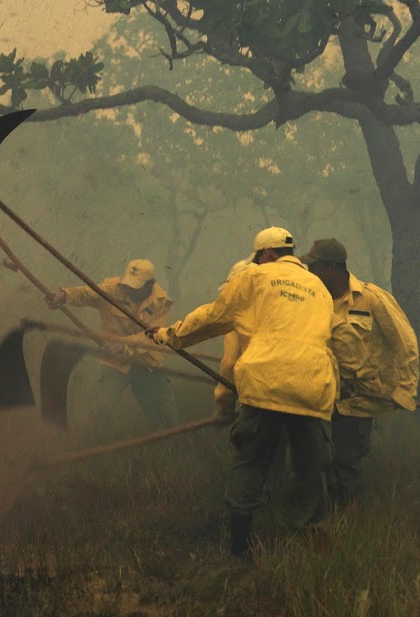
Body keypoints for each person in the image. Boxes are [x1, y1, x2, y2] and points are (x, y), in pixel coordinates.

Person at [148, 227, 363, 559]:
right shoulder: (319, 289)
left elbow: (212, 317)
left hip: (265, 385)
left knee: (250, 462)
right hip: (312, 388)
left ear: (264, 254)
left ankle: (240, 550)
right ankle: (313, 547)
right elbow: (340, 338)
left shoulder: (253, 278)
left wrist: (168, 336)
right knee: (311, 470)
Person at [301, 237, 419, 509]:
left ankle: (348, 519)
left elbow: (406, 344)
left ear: (332, 268)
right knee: (318, 460)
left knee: (345, 461)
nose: (309, 274)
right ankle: (326, 514)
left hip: (360, 401)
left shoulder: (372, 299)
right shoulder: (314, 301)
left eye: (314, 267)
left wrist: (404, 390)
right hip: (323, 397)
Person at [48, 257, 177, 434]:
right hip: (115, 363)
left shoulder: (162, 302)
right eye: (129, 285)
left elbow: (152, 337)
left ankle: (163, 445)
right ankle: (95, 444)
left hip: (146, 363)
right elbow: (88, 293)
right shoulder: (114, 289)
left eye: (136, 287)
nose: (130, 290)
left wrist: (123, 347)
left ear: (150, 285)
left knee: (169, 416)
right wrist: (65, 295)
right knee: (102, 408)